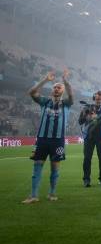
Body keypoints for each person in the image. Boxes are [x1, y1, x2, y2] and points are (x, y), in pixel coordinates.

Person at [22, 70, 74, 204]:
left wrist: (66, 82)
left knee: (54, 168)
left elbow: (72, 95)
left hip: (58, 141)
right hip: (42, 139)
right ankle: (33, 195)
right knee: (37, 166)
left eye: (59, 87)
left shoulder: (66, 103)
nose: (56, 89)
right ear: (52, 90)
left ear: (62, 90)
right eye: (55, 87)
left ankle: (52, 193)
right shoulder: (45, 101)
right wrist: (45, 80)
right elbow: (31, 92)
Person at [79, 90, 101, 187]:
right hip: (89, 136)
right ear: (94, 98)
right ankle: (86, 179)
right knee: (87, 158)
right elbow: (80, 121)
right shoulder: (86, 108)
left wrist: (96, 117)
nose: (99, 101)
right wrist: (88, 116)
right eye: (97, 99)